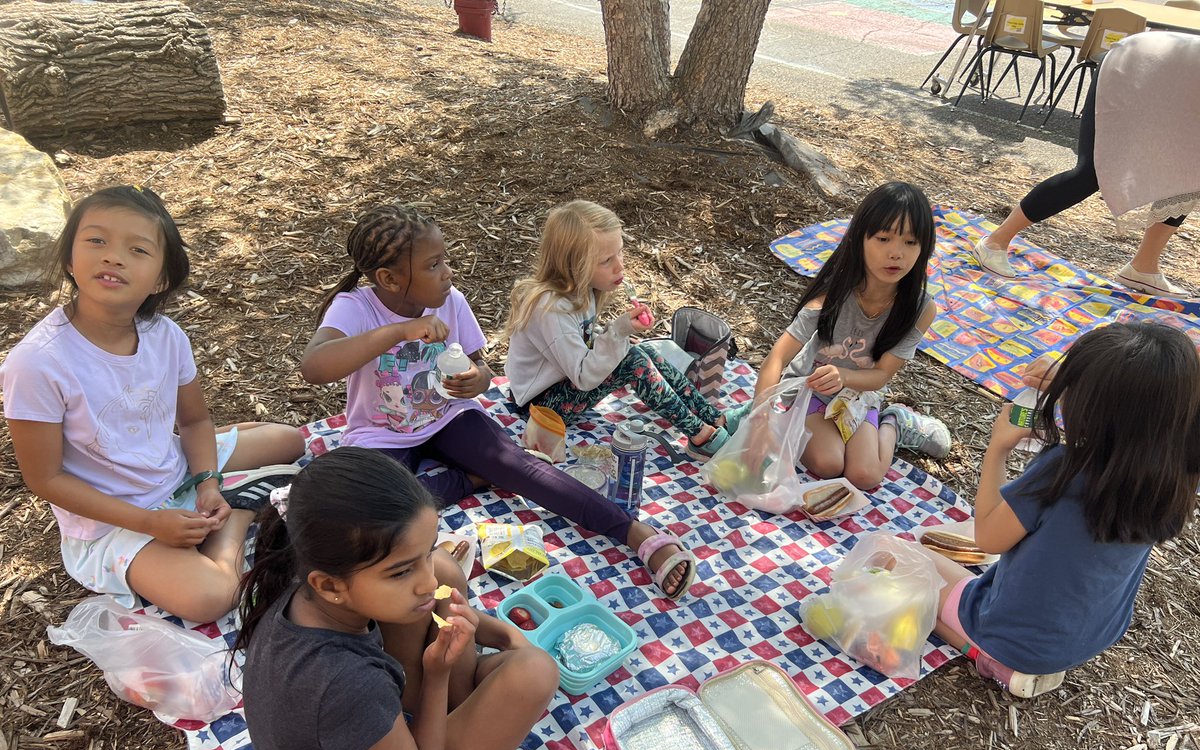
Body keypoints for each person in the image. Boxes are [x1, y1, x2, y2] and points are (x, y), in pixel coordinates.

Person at [299, 203, 697, 600]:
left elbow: (481, 367)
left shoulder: (450, 300)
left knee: (522, 467)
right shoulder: (355, 307)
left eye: (444, 260)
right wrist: (400, 331)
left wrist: (478, 380)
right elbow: (314, 367)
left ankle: (632, 531)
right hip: (380, 433)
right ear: (388, 278)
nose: (447, 272)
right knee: (376, 510)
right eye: (433, 265)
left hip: (450, 418)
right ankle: (470, 479)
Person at [236, 447, 572, 750]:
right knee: (534, 673)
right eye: (401, 571)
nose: (424, 581)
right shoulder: (347, 682)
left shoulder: (308, 589)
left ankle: (467, 724)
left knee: (447, 573)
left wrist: (505, 635)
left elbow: (439, 589)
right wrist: (437, 676)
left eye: (425, 551)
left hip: (370, 737)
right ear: (330, 585)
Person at [0, 186, 304, 622]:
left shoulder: (165, 335)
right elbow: (45, 478)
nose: (112, 257)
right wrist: (149, 523)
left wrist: (206, 483)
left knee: (289, 440)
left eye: (137, 249)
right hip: (113, 520)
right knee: (210, 597)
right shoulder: (37, 363)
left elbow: (194, 421)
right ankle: (239, 514)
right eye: (96, 240)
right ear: (69, 259)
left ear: (161, 279)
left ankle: (222, 487)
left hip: (171, 466)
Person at [922, 322, 1200, 697]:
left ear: (1093, 407)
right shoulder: (1180, 474)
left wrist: (998, 448)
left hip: (1013, 637)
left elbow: (987, 538)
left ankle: (989, 658)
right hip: (1093, 634)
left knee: (903, 560)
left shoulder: (1063, 470)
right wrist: (1085, 375)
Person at [746, 182, 951, 491]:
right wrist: (758, 422)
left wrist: (844, 376)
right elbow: (777, 357)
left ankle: (895, 423)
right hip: (809, 391)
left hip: (858, 393)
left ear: (925, 248)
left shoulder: (919, 309)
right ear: (859, 238)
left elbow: (881, 375)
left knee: (865, 476)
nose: (897, 253)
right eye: (883, 238)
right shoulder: (833, 293)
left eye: (911, 242)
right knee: (828, 463)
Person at [972, 32, 1200, 299]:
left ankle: (1143, 267)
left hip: (1175, 86)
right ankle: (994, 242)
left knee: (1187, 179)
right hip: (1135, 68)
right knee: (1091, 172)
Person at [505, 200, 731, 458]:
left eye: (620, 253)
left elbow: (584, 344)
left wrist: (618, 337)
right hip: (539, 409)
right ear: (574, 265)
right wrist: (619, 331)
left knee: (642, 352)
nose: (620, 266)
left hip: (562, 386)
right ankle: (700, 436)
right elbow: (584, 377)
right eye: (606, 260)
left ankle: (714, 418)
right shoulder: (551, 309)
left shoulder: (582, 291)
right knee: (633, 361)